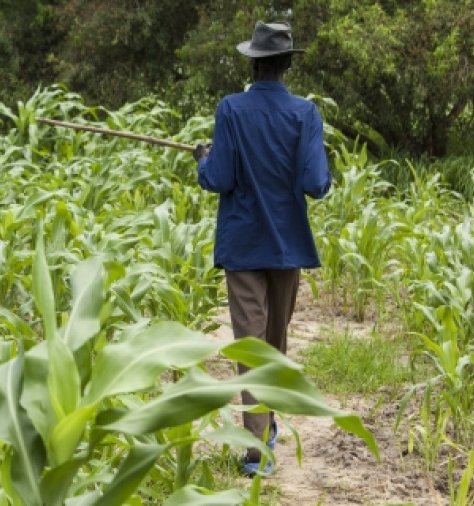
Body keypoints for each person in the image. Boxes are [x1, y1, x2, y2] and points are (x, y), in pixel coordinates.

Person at [192, 21, 332, 476]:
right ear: (288, 64)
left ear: (253, 62)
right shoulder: (306, 114)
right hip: (286, 245)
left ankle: (258, 436)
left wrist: (203, 159)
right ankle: (258, 441)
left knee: (252, 343)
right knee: (273, 339)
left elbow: (220, 179)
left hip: (243, 244)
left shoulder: (231, 110)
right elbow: (315, 184)